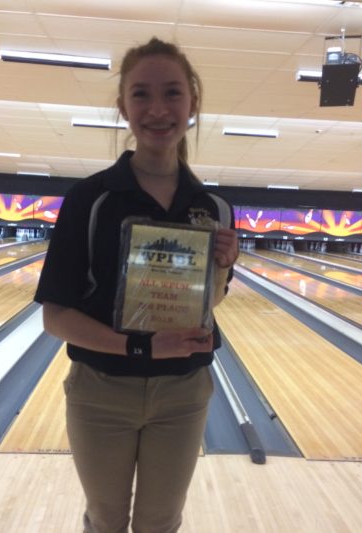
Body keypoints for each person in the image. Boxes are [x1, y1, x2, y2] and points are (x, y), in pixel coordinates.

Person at [34, 37, 239, 533]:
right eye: (141, 94)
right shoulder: (89, 199)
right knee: (105, 520)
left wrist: (224, 267)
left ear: (191, 102)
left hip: (184, 393)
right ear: (123, 105)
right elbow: (55, 316)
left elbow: (206, 307)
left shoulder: (215, 210)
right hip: (101, 391)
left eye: (172, 93)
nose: (157, 109)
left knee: (161, 521)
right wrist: (141, 349)